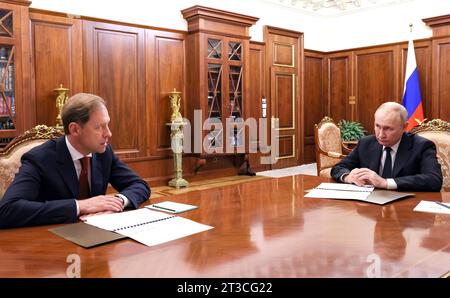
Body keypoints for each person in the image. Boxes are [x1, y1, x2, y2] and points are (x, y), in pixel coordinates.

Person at [0, 93, 150, 228]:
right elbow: (7, 210)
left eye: (107, 125)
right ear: (75, 129)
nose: (108, 133)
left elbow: (140, 185)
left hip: (97, 234)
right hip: (53, 240)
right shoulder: (39, 159)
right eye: (99, 127)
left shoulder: (104, 153)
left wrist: (117, 201)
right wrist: (80, 206)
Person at [331, 101, 442, 191]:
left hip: (405, 210)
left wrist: (385, 183)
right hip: (371, 208)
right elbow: (338, 168)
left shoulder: (422, 146)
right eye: (377, 126)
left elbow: (434, 180)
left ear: (404, 127)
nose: (380, 134)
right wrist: (348, 177)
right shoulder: (366, 143)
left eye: (388, 128)